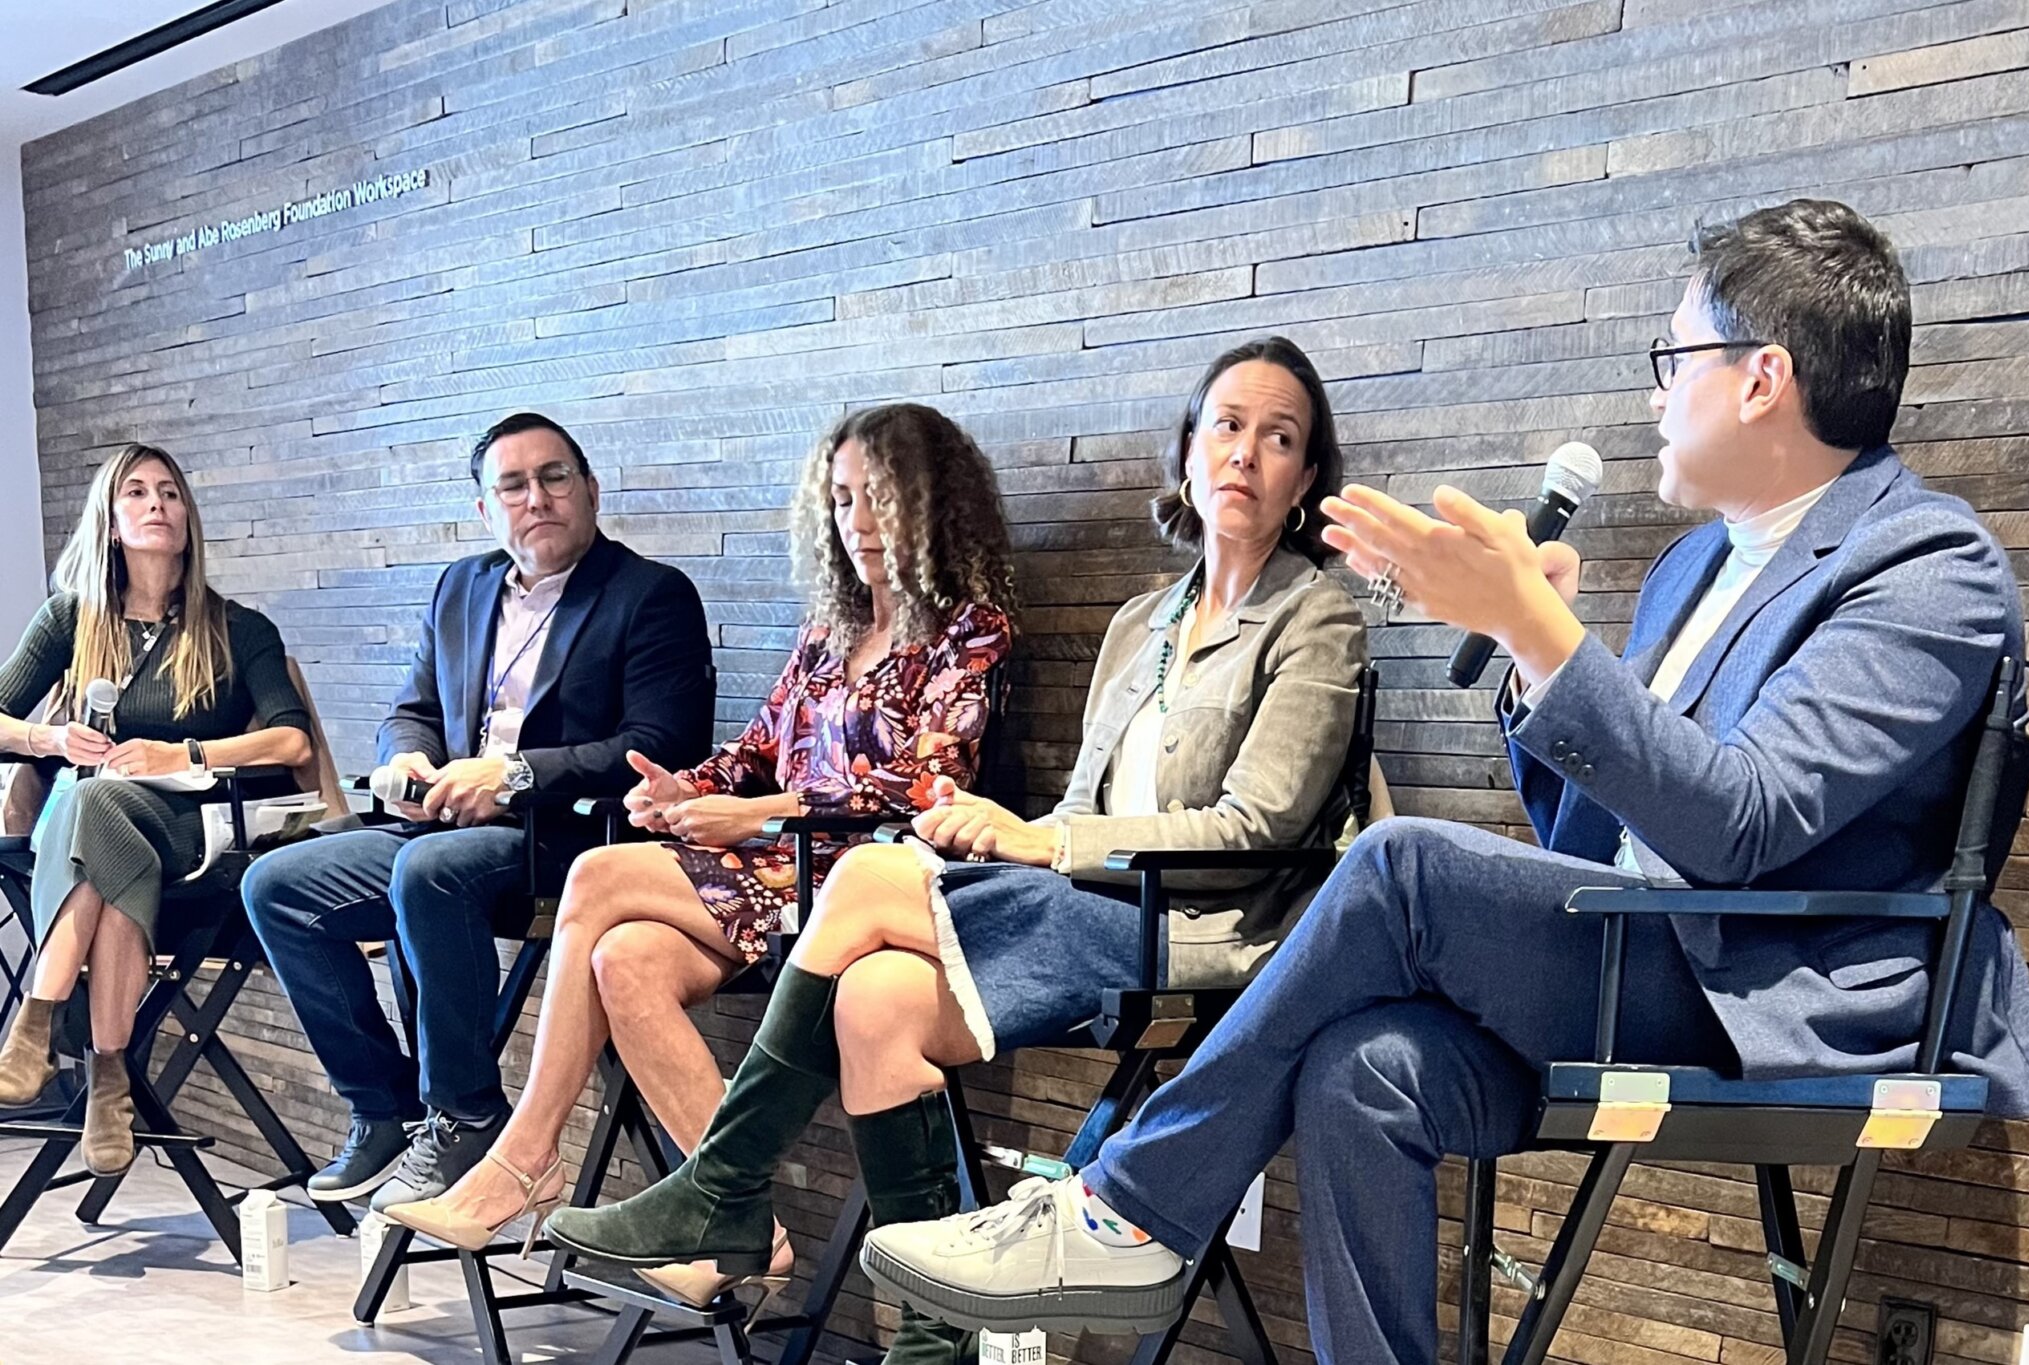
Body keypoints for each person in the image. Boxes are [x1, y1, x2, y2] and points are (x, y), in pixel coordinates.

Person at [854, 200, 2029, 1364]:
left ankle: (1125, 1214)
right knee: (1362, 1069)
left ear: (1757, 378)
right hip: (1645, 950)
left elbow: (1743, 827)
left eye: (1670, 353)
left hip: (1773, 991)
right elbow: (1593, 832)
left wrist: (1541, 637)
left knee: (1399, 860)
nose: (1653, 388)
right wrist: (1545, 663)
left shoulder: (1927, 567)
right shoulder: (1695, 566)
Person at [545, 337, 1380, 1363]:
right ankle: (931, 1345)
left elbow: (1258, 830)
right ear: (1189, 452)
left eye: (1277, 437)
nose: (1245, 453)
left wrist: (1040, 840)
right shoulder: (1139, 622)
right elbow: (1081, 798)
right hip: (1089, 903)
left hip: (1205, 926)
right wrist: (991, 835)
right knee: (872, 999)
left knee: (865, 875)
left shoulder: (1315, 618)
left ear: (1303, 479)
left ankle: (720, 1187)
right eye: (1226, 425)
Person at [382, 403, 1016, 1302]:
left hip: (865, 883)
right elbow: (754, 749)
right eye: (840, 501)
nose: (858, 523)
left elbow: (925, 785)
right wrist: (683, 788)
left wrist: (751, 814)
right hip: (772, 869)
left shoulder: (969, 629)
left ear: (933, 504)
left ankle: (525, 1157)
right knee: (623, 956)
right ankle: (744, 1219)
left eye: (879, 498)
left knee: (598, 872)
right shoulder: (830, 628)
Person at [242, 411, 715, 1213]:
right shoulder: (461, 585)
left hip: (570, 839)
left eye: (554, 477)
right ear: (486, 510)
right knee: (275, 883)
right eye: (514, 485)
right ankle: (384, 1104)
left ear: (591, 490)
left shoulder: (650, 595)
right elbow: (413, 708)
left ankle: (465, 1109)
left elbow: (662, 741)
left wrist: (516, 774)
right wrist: (404, 758)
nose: (537, 497)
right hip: (443, 823)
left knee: (431, 871)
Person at [0, 444, 316, 1177]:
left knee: (97, 803)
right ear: (111, 523)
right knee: (101, 814)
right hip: (113, 846)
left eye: (169, 493)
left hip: (199, 840)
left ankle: (37, 1024)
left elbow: (291, 737)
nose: (156, 505)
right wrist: (49, 736)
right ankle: (110, 1078)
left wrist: (187, 756)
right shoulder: (72, 621)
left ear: (187, 517)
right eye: (137, 493)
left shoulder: (239, 628)